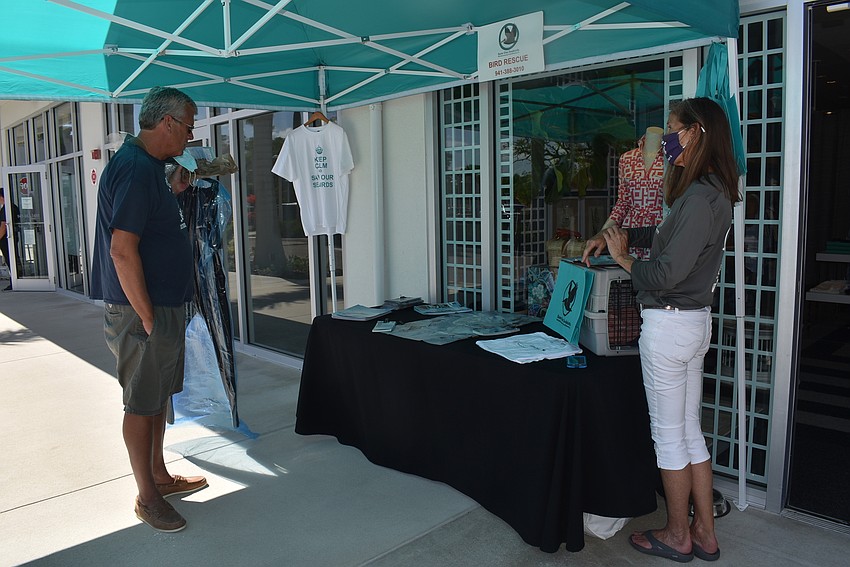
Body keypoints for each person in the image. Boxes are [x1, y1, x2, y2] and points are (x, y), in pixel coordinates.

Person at [583, 97, 740, 563]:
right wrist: (621, 237)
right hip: (691, 325)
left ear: (695, 133)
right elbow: (671, 243)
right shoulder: (711, 191)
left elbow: (664, 273)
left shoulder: (699, 197)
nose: (666, 136)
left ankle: (677, 534)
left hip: (671, 324)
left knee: (670, 436)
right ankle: (704, 533)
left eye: (673, 128)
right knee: (689, 432)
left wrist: (624, 259)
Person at [90, 86, 208, 533]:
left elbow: (148, 225)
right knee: (141, 403)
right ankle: (147, 496)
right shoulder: (137, 169)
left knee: (156, 396)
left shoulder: (148, 169)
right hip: (143, 310)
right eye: (190, 125)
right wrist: (147, 316)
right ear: (168, 124)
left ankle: (159, 476)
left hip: (157, 305)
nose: (191, 135)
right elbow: (123, 250)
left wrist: (172, 191)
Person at [599, 127, 665, 259]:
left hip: (659, 230)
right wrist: (602, 233)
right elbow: (623, 202)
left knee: (656, 275)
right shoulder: (626, 159)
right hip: (630, 232)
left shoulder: (671, 160)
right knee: (627, 275)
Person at [0, 187, 22, 290]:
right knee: (14, 258)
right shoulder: (14, 206)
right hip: (13, 237)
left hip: (6, 239)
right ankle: (18, 279)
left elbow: (4, 226)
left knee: (10, 260)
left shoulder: (6, 209)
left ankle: (16, 281)